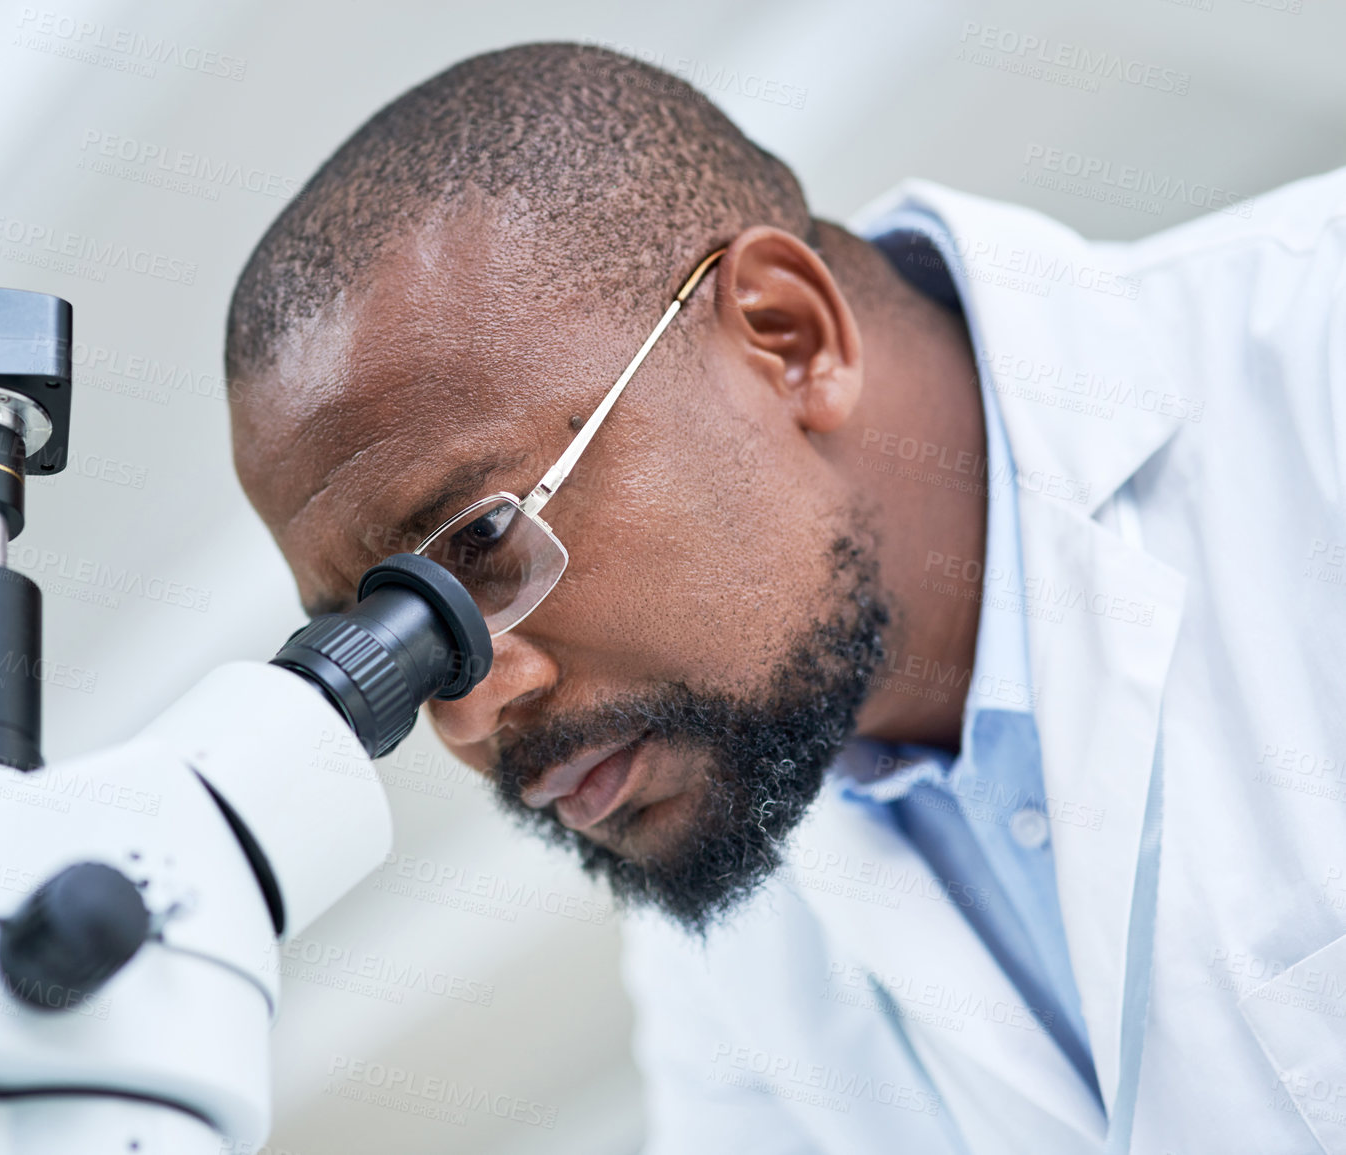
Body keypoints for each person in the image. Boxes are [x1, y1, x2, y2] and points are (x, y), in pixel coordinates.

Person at [223, 42, 1346, 1154]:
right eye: (388, 640)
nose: (467, 717)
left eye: (482, 541)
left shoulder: (1316, 364)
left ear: (786, 337)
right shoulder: (730, 930)